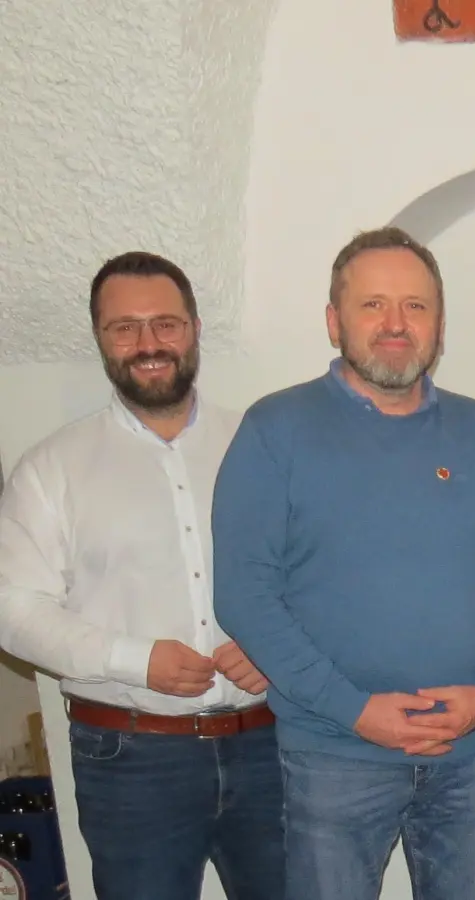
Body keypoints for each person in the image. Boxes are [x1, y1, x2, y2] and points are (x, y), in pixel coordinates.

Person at [210, 227, 475, 900]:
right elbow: (244, 594)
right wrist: (353, 710)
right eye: (373, 305)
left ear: (439, 326)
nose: (396, 324)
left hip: (469, 754)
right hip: (332, 757)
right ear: (333, 320)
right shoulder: (275, 430)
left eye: (416, 307)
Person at [0, 251, 283, 900]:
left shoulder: (263, 445)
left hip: (271, 745)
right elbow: (13, 607)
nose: (148, 344)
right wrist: (133, 659)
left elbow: (319, 574)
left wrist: (277, 646)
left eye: (165, 324)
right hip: (130, 761)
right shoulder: (52, 468)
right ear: (98, 336)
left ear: (194, 329)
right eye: (124, 327)